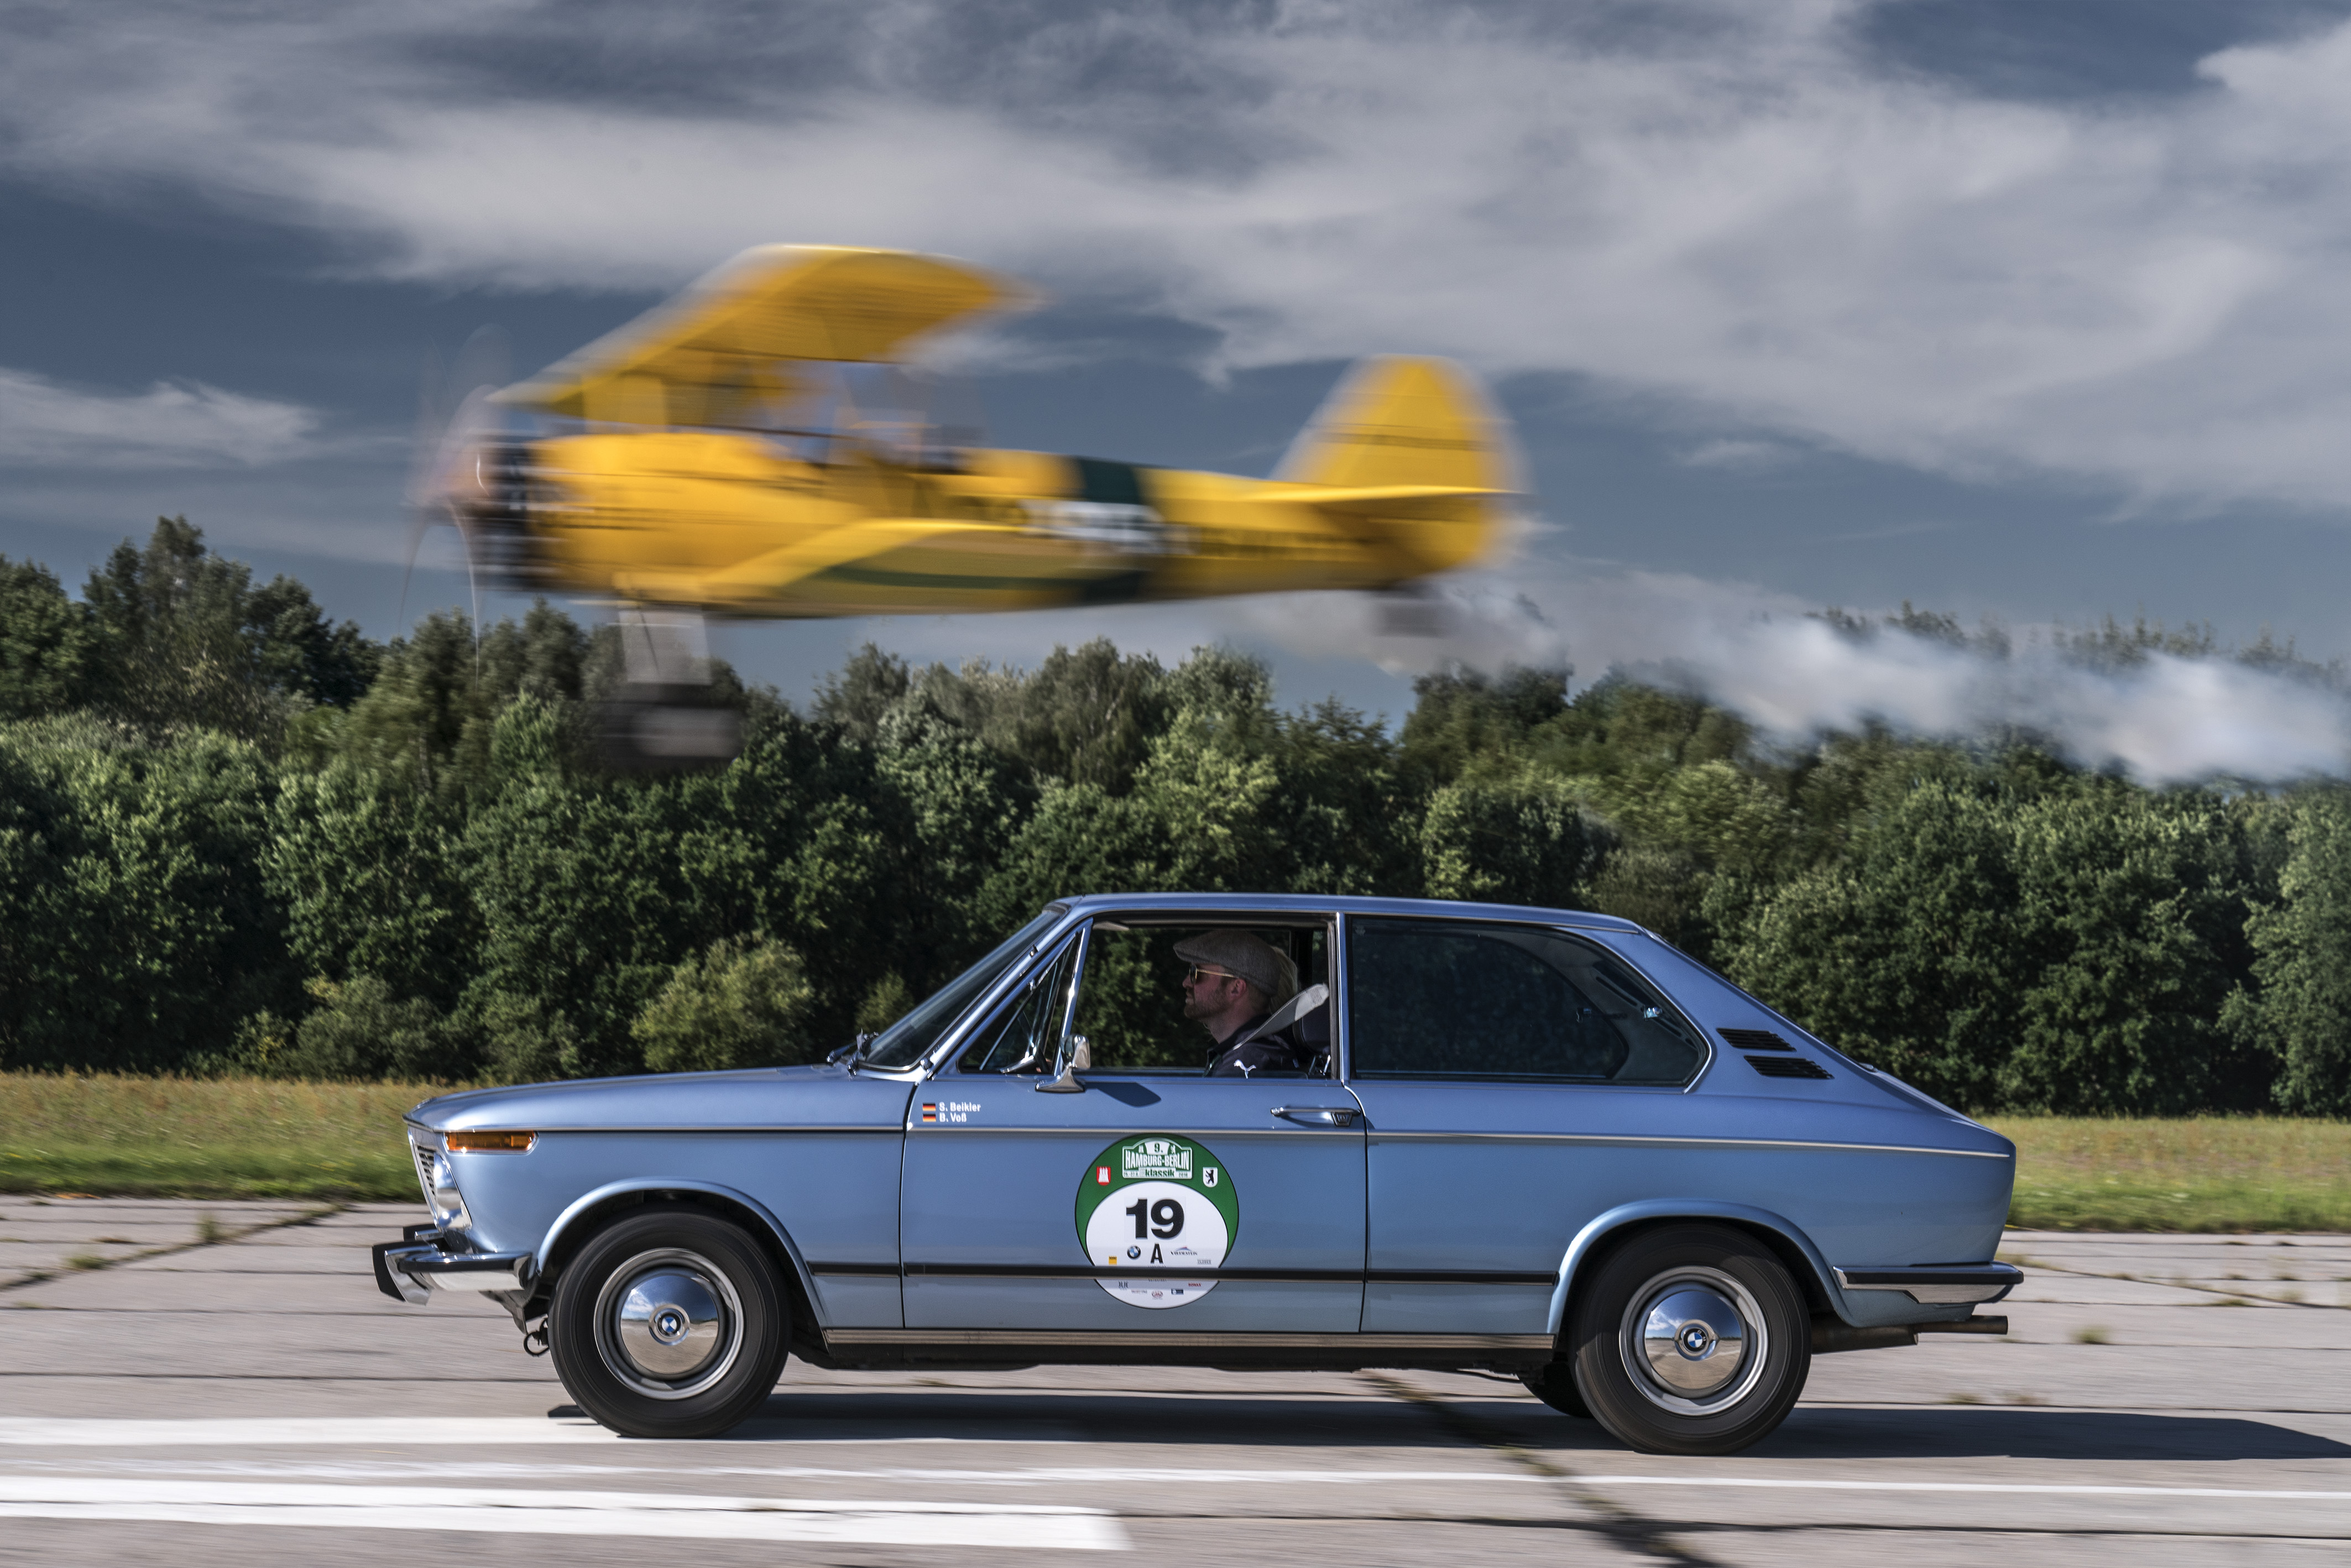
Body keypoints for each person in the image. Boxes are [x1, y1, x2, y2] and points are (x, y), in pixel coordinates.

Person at [1174, 930, 1306, 1077]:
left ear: (1236, 988)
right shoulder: (1250, 1053)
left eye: (1196, 972)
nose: (1186, 982)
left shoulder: (1246, 1061)